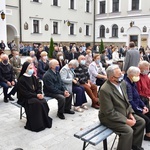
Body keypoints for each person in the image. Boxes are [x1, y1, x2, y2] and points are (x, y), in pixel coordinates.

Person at [98, 65, 145, 150]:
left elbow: (127, 101)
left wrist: (130, 113)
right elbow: (109, 112)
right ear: (112, 78)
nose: (122, 76)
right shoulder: (104, 90)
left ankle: (134, 146)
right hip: (109, 118)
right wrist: (126, 121)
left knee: (141, 122)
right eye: (119, 75)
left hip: (123, 112)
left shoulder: (122, 83)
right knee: (127, 131)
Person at [17, 61, 52, 132]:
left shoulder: (33, 77)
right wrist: (36, 95)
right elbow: (24, 93)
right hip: (25, 98)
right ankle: (37, 125)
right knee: (37, 103)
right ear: (25, 69)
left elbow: (39, 87)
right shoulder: (21, 80)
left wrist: (39, 93)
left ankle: (44, 122)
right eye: (30, 68)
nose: (31, 70)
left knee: (44, 102)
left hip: (34, 96)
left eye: (32, 68)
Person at [125, 66, 150, 141]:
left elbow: (137, 97)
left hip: (137, 105)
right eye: (138, 75)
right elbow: (130, 101)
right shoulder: (127, 84)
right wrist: (140, 110)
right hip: (132, 109)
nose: (139, 77)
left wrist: (143, 106)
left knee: (149, 112)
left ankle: (148, 135)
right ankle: (138, 139)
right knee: (146, 119)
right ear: (132, 75)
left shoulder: (133, 82)